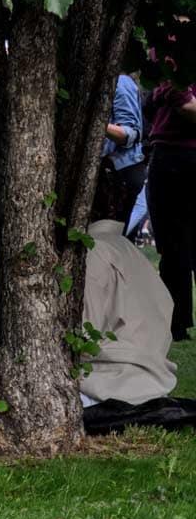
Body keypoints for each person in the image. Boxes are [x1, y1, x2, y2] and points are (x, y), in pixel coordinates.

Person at [80, 160, 177, 406]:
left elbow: (82, 338)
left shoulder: (93, 253)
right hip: (151, 381)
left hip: (108, 385)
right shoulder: (128, 250)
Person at [144, 80, 196, 340]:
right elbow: (183, 103)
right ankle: (176, 323)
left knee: (175, 246)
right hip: (174, 156)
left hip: (175, 157)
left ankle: (176, 324)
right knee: (174, 247)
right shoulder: (175, 50)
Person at [103, 74, 147, 236]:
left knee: (114, 244)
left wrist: (97, 122)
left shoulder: (121, 82)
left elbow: (130, 134)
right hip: (106, 175)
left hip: (123, 173)